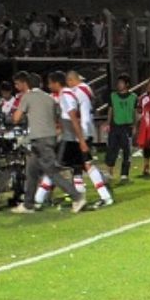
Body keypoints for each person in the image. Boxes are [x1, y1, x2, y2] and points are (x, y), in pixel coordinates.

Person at [11, 72, 86, 214]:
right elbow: (58, 117)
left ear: (27, 84)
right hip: (49, 138)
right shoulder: (50, 98)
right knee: (31, 171)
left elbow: (16, 118)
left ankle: (77, 197)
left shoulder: (27, 97)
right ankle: (28, 204)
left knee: (51, 172)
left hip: (40, 139)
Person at [45, 71, 113, 208]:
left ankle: (100, 196)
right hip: (82, 132)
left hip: (78, 133)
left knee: (65, 164)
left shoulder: (74, 91)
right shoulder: (83, 90)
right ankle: (85, 196)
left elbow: (72, 115)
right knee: (79, 166)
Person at [105, 74, 137, 184]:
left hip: (127, 127)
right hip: (115, 126)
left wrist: (135, 125)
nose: (119, 85)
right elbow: (110, 110)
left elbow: (134, 112)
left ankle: (124, 174)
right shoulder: (113, 96)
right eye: (118, 83)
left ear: (127, 84)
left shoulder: (133, 97)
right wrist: (108, 124)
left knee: (127, 151)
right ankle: (109, 172)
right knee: (112, 150)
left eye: (121, 83)